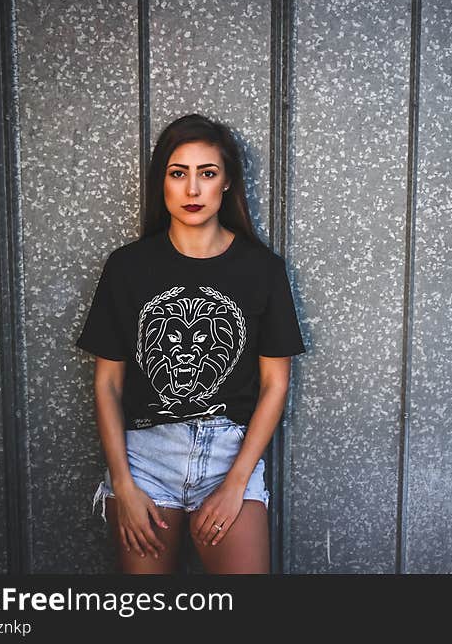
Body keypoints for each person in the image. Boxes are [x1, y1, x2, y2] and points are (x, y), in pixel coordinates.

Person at [76, 114, 306, 574]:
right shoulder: (127, 268)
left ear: (226, 183)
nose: (193, 190)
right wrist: (123, 485)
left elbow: (275, 385)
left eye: (208, 173)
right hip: (145, 457)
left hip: (229, 457)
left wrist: (235, 484)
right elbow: (107, 385)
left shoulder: (262, 269)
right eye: (178, 173)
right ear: (162, 182)